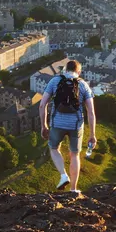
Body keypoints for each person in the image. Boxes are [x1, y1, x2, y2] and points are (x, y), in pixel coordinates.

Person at [39, 60, 96, 194]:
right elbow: (91, 112)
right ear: (79, 72)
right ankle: (73, 189)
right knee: (75, 155)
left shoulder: (55, 81)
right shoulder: (83, 85)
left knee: (53, 148)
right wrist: (92, 135)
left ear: (64, 70)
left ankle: (63, 175)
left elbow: (42, 105)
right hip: (76, 124)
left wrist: (43, 125)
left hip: (57, 122)